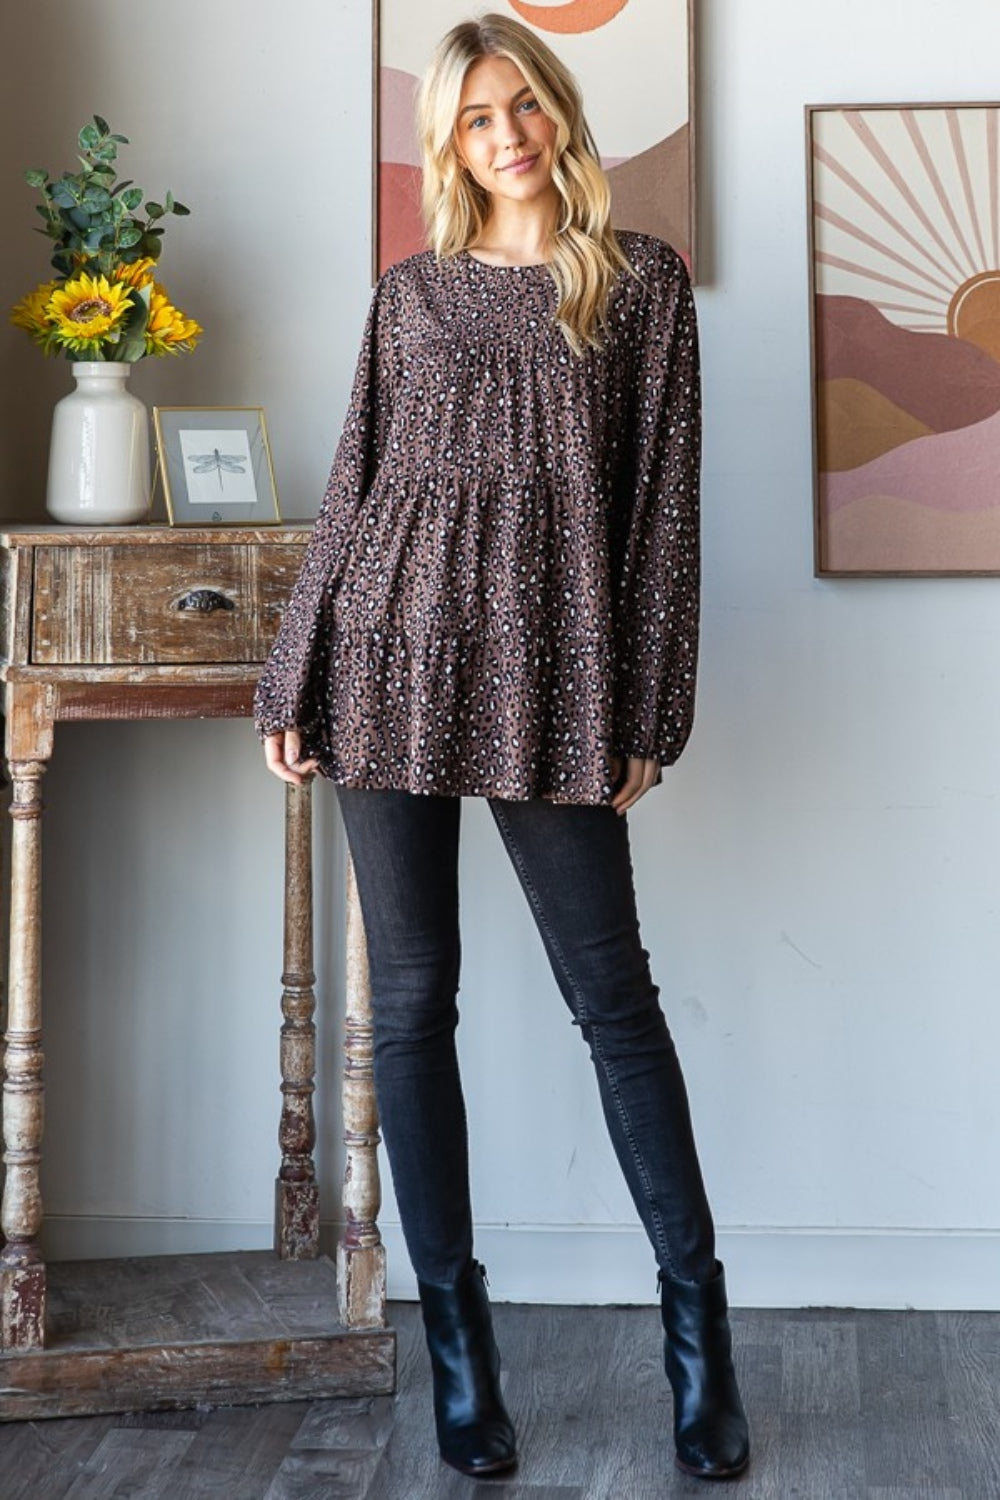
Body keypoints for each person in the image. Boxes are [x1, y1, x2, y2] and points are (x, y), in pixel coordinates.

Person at [255, 12, 749, 1484]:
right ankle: (461, 1357)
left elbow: (662, 516)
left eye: (522, 105)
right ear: (450, 145)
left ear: (559, 114)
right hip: (388, 659)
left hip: (559, 670)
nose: (507, 135)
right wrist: (297, 670)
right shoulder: (405, 298)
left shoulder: (641, 285)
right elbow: (355, 488)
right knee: (410, 1010)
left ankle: (699, 1343)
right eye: (476, 118)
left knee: (614, 1000)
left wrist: (652, 708)